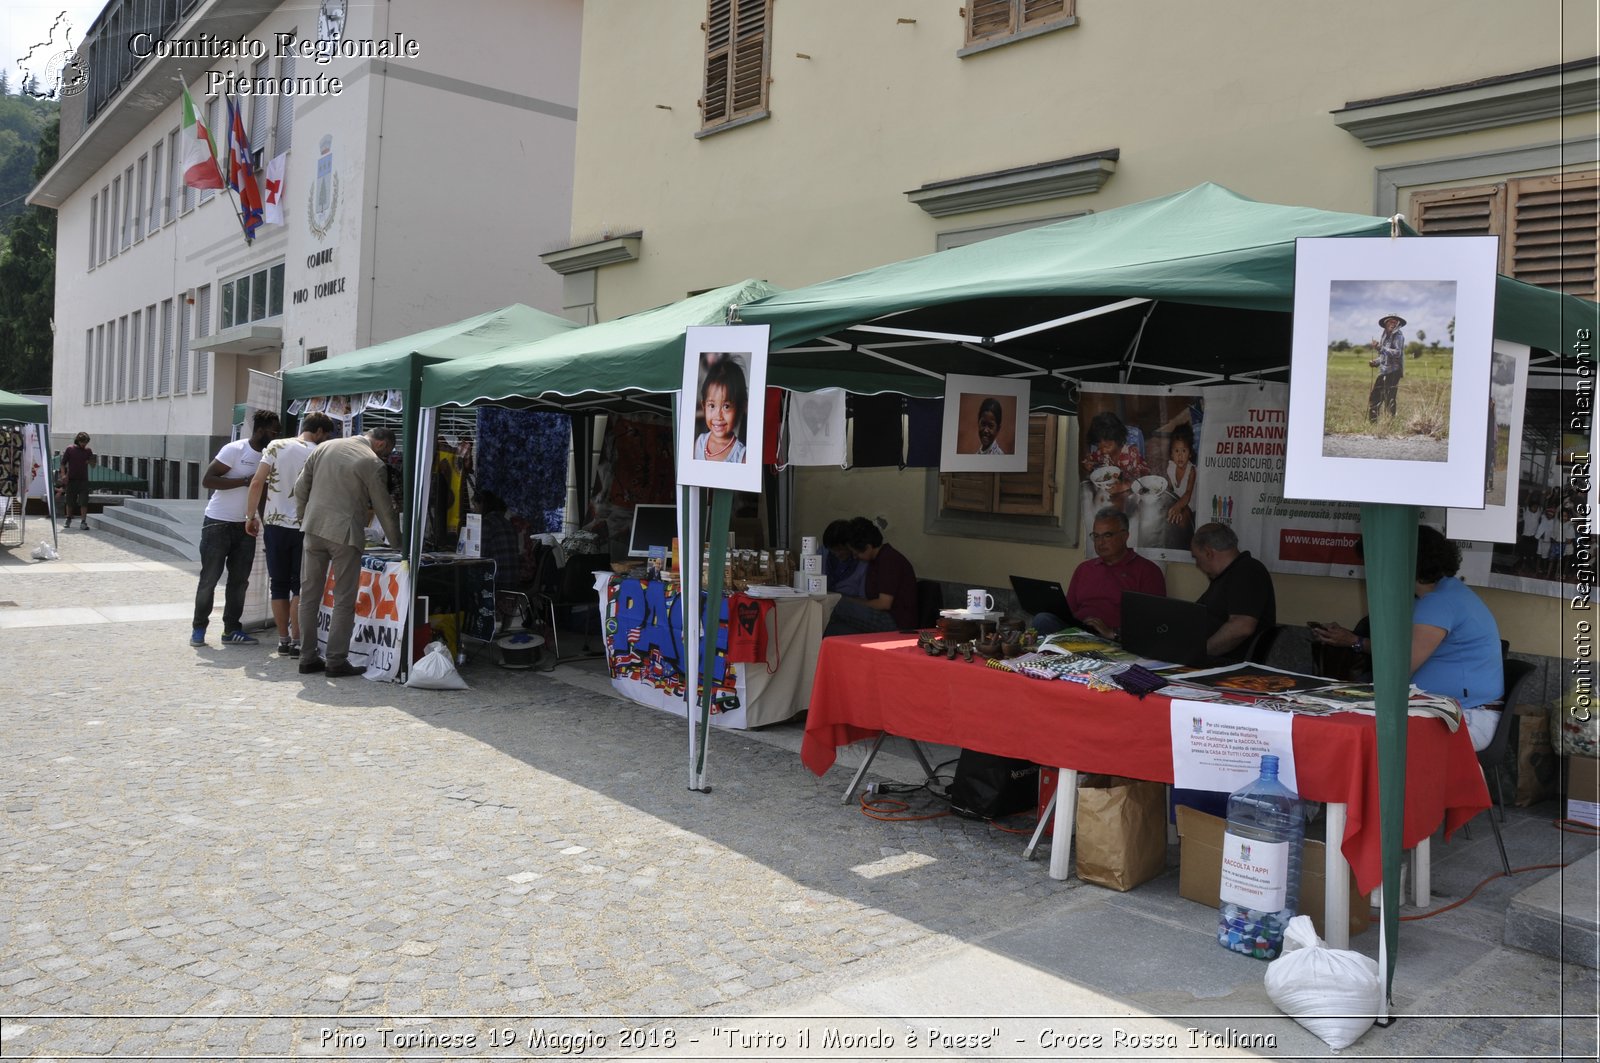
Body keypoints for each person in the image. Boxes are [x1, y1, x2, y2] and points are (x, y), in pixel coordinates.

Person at [1314, 526, 1504, 750]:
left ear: (1400, 563)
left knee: (1350, 735)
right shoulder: (1444, 594)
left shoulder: (1438, 603)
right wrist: (1354, 641)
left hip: (1464, 719)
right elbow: (1400, 651)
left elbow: (1398, 668)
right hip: (1453, 711)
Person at [294, 427, 404, 678]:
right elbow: (383, 507)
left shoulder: (324, 447)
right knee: (343, 598)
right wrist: (397, 543)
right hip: (344, 533)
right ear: (381, 445)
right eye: (387, 452)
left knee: (309, 595)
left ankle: (307, 656)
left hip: (313, 528)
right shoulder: (372, 462)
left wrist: (305, 519)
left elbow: (300, 487)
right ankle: (335, 660)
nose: (387, 456)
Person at [244, 413, 337, 658]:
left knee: (278, 585)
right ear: (318, 431)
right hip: (304, 525)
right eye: (325, 435)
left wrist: (250, 516)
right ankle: (298, 640)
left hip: (274, 524)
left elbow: (257, 482)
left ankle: (283, 640)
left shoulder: (276, 446)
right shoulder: (320, 451)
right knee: (300, 587)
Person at [191, 410, 281, 646]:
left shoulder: (270, 456)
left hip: (246, 527)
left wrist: (263, 522)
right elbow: (208, 480)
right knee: (209, 579)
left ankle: (231, 630)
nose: (276, 436)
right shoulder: (235, 450)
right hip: (217, 523)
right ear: (260, 430)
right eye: (274, 431)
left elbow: (262, 493)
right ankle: (198, 629)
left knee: (239, 582)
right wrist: (243, 481)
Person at [1031, 508, 1165, 638]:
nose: (1100, 542)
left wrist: (1113, 633)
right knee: (1043, 619)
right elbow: (1068, 612)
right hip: (1078, 633)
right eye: (1096, 536)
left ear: (1125, 536)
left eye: (1107, 535)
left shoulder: (1148, 571)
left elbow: (1152, 625)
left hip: (1113, 639)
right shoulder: (1084, 569)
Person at [1190, 522, 1276, 664]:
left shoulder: (1248, 571)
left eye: (1196, 558)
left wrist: (1198, 654)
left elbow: (1241, 627)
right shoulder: (1226, 576)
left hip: (1231, 668)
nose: (1197, 565)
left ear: (1208, 552)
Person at [823, 516, 918, 635]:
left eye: (856, 553)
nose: (855, 557)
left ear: (868, 547)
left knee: (837, 605)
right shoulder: (875, 560)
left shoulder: (889, 560)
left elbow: (884, 603)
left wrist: (851, 602)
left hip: (894, 623)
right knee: (831, 630)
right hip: (881, 616)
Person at [1080, 410, 1148, 508]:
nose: (1103, 451)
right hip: (1109, 496)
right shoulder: (1102, 453)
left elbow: (1144, 475)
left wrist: (1124, 486)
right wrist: (1087, 464)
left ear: (1118, 439)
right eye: (1100, 447)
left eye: (1107, 446)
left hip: (1130, 498)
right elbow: (1090, 458)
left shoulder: (1131, 454)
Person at [694, 357, 748, 463]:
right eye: (712, 406)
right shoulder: (699, 443)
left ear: (741, 407)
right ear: (704, 406)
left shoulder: (741, 456)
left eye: (726, 406)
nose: (718, 416)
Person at [1367, 313, 1408, 421]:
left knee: (1389, 398)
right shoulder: (1384, 335)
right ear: (1385, 323)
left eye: (1395, 322)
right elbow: (1383, 356)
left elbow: (1397, 353)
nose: (1393, 324)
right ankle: (1372, 424)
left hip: (1394, 371)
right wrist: (1375, 362)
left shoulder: (1398, 336)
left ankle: (1389, 424)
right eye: (1390, 321)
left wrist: (1380, 348)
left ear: (1398, 324)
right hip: (1384, 371)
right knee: (1375, 397)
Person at [820, 518, 867, 598]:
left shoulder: (863, 564)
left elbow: (863, 599)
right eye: (832, 550)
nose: (837, 554)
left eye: (840, 549)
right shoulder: (822, 553)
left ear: (851, 545)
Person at [60, 432, 94, 529]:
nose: (84, 444)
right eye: (83, 442)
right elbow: (63, 464)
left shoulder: (88, 451)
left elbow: (93, 464)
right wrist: (63, 476)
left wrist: (90, 461)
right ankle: (68, 518)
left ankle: (83, 522)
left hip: (83, 480)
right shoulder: (70, 449)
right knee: (70, 501)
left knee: (84, 501)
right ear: (78, 441)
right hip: (71, 479)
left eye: (86, 443)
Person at [1164, 423, 1197, 525]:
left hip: (1191, 510)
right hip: (1177, 505)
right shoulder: (1170, 467)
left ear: (1190, 453)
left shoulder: (1191, 471)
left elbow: (1188, 493)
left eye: (1184, 451)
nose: (1180, 455)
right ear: (1171, 454)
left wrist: (1178, 506)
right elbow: (1169, 488)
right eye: (1176, 451)